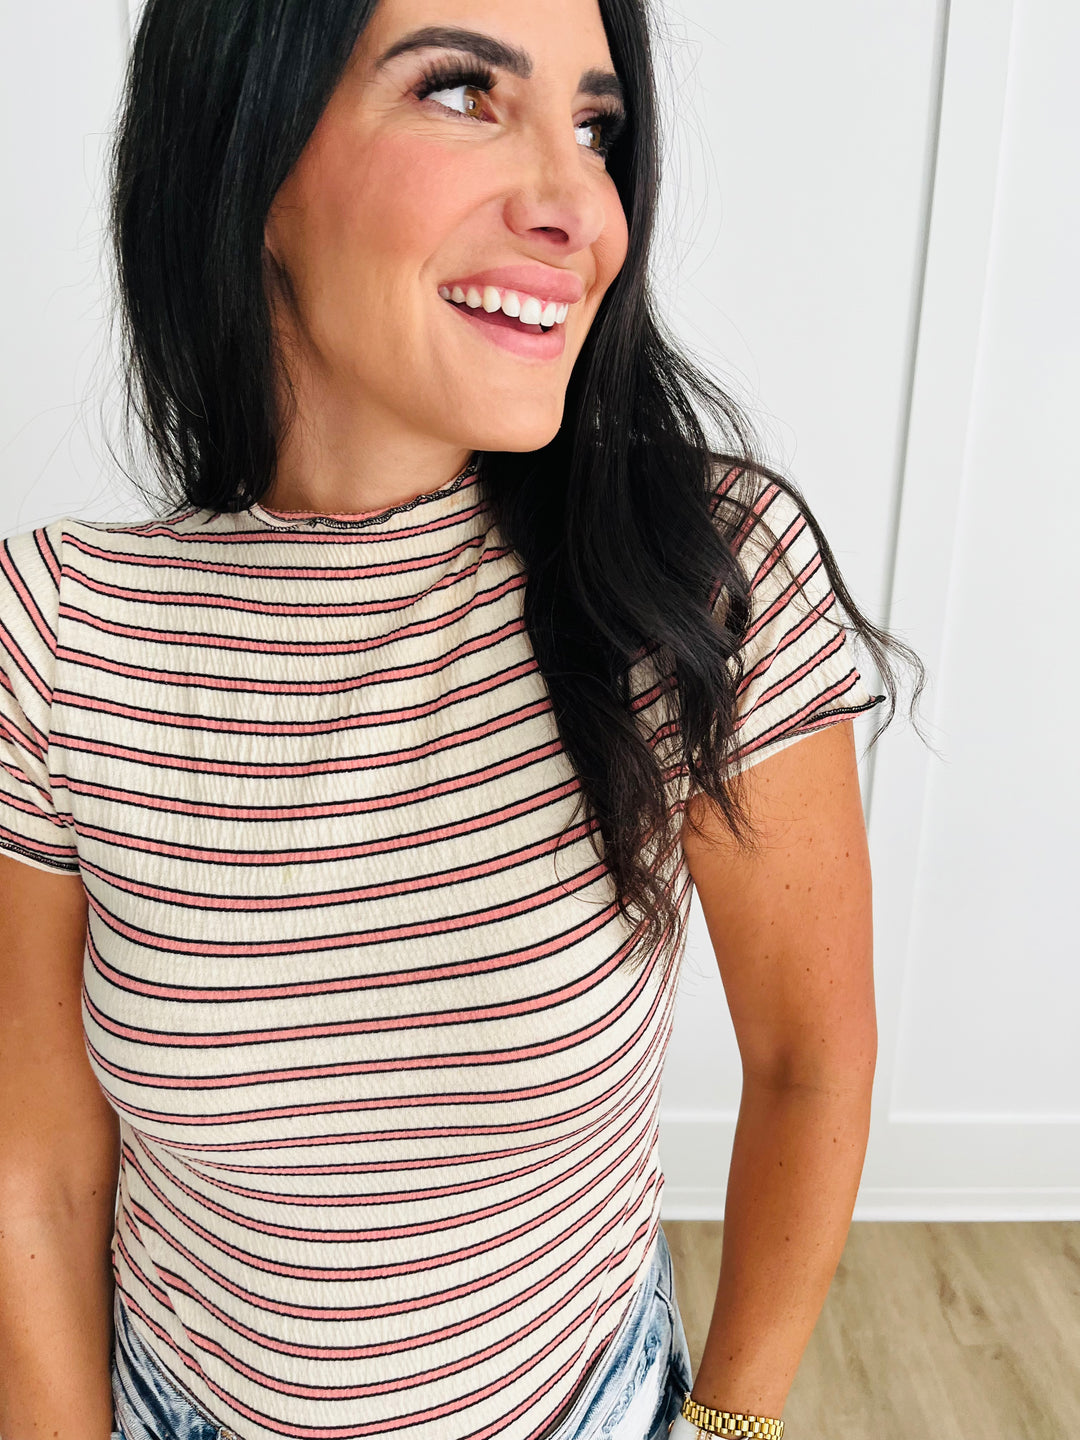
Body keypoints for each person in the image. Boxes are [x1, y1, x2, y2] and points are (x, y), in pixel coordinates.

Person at [0, 1, 924, 1438]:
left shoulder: (692, 580)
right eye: (459, 92)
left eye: (597, 128)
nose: (582, 210)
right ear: (248, 151)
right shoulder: (61, 629)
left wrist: (727, 1425)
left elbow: (813, 1059)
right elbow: (43, 1168)